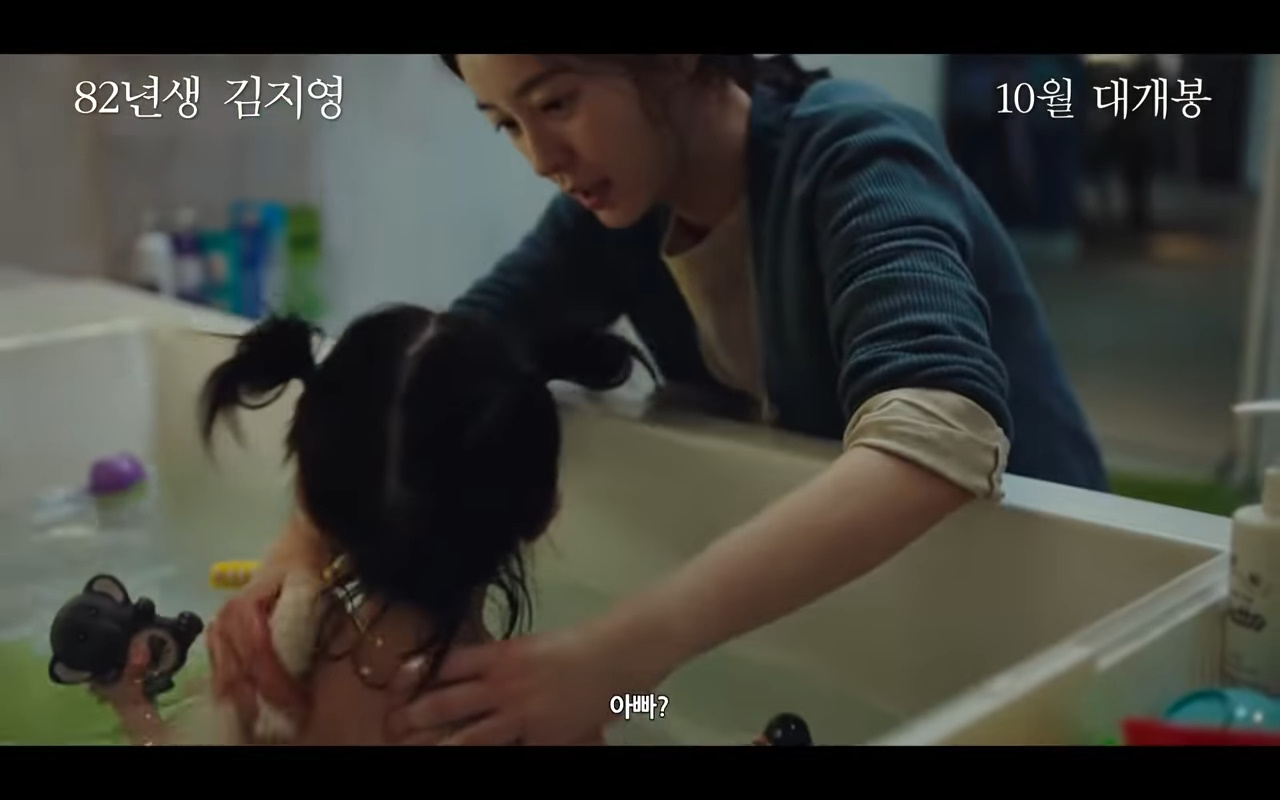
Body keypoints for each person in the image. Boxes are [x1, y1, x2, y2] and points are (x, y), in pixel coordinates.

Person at [207, 54, 1108, 746]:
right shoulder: (618, 215)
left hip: (1049, 595)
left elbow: (940, 429)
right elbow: (427, 373)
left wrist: (613, 660)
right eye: (506, 125)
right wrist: (301, 544)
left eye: (557, 103)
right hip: (845, 618)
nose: (540, 158)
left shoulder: (858, 156)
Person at [93, 308, 641, 745]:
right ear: (543, 513)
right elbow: (647, 708)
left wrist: (133, 704)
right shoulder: (539, 715)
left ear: (307, 497)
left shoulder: (272, 682)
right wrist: (621, 694)